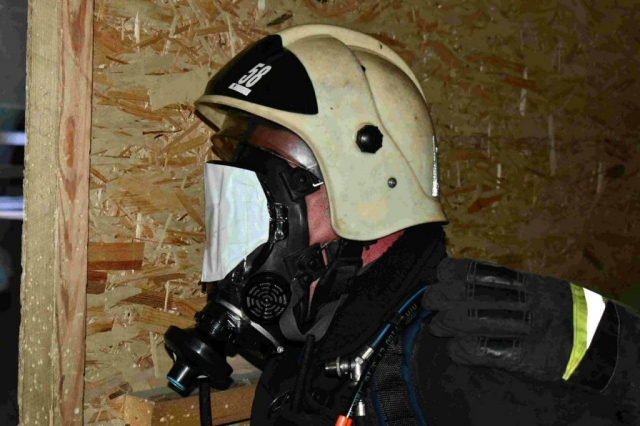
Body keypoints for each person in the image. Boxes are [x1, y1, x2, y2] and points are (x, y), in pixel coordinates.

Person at [166, 24, 640, 425]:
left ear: (366, 191)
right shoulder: (300, 363)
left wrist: (622, 360)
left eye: (266, 198)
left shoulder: (452, 361)